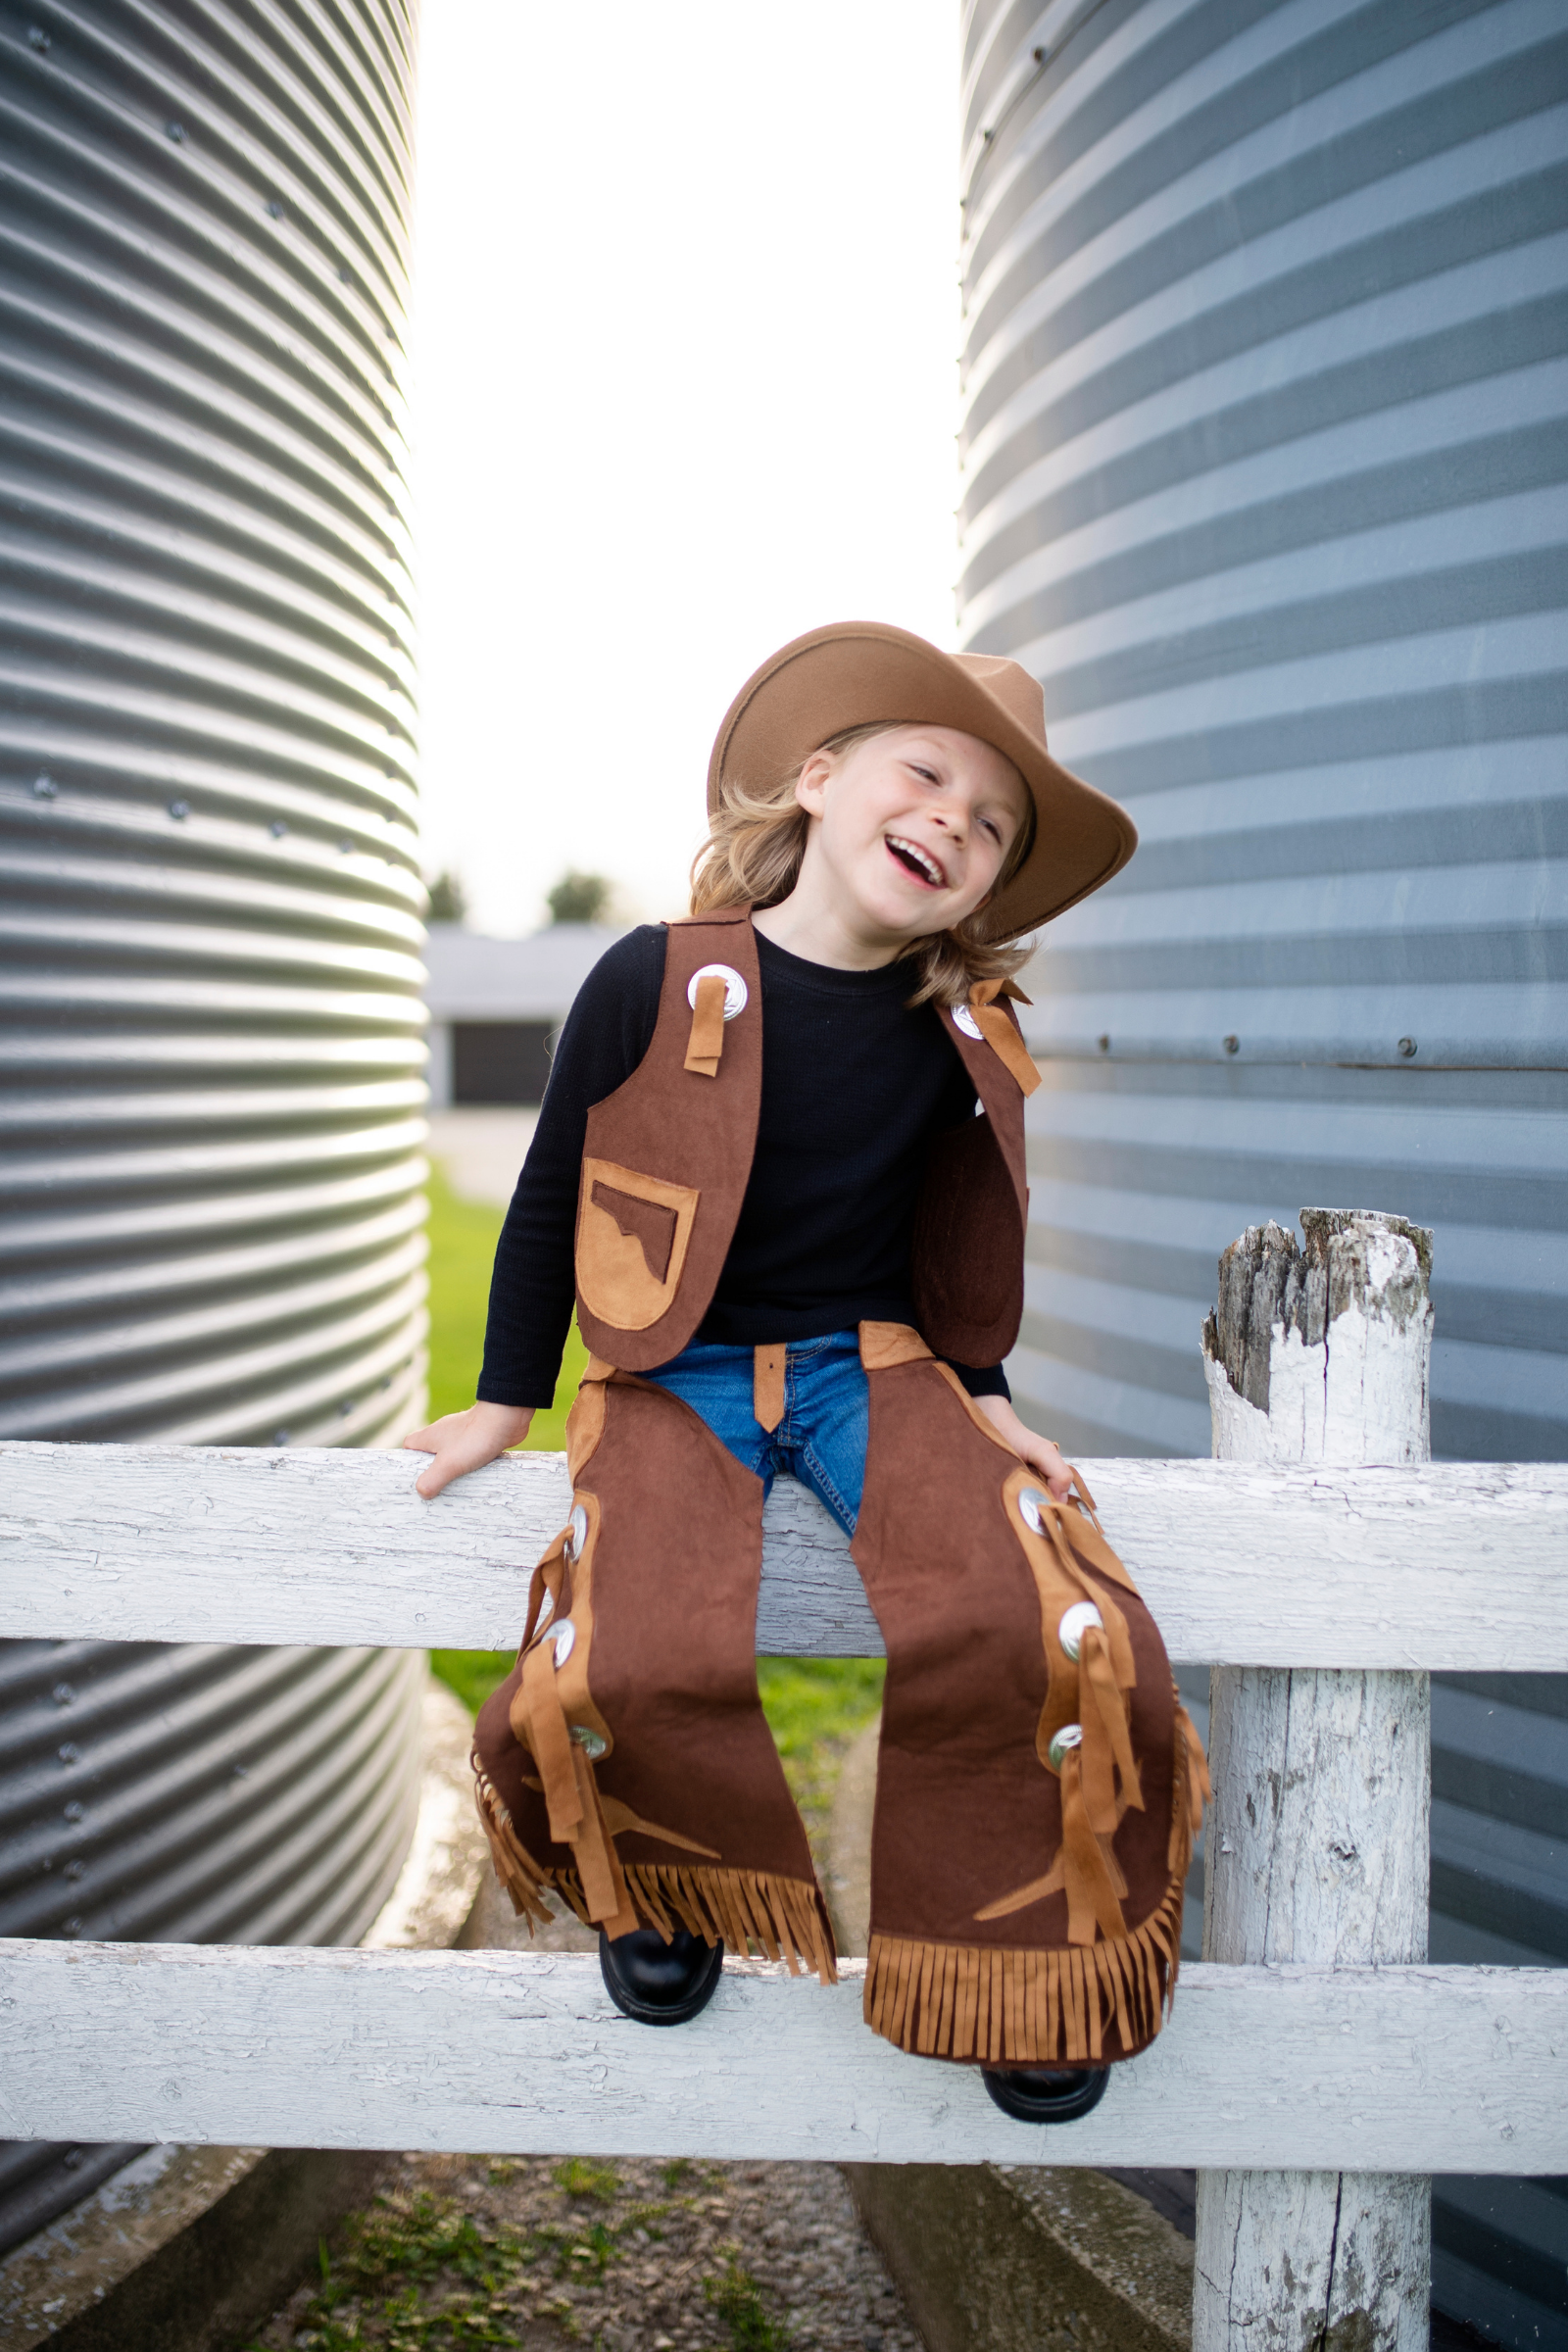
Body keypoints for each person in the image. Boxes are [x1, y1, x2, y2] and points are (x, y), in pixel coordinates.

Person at [406, 622, 1201, 2124]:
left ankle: (1019, 1965)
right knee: (631, 1641)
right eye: (927, 776)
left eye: (990, 826)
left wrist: (993, 1403)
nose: (952, 825)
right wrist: (509, 1399)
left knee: (1017, 1608)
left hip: (869, 1364)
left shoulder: (951, 1029)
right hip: (672, 1366)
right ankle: (662, 1887)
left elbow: (965, 1237)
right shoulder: (652, 980)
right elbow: (551, 1189)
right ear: (822, 781)